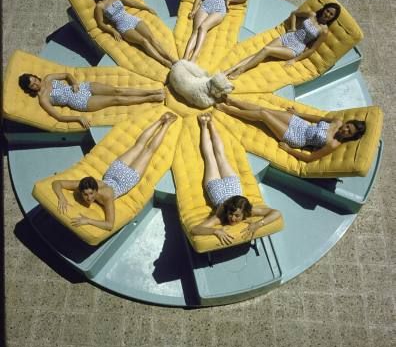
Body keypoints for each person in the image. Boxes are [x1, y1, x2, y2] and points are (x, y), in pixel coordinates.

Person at [52, 112, 177, 231]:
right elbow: (57, 183)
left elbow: (109, 224)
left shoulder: (106, 196)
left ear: (96, 190)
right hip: (115, 171)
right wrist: (61, 197)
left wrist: (88, 220)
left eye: (91, 194)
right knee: (138, 146)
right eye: (85, 194)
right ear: (81, 190)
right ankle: (161, 121)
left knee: (148, 150)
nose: (89, 198)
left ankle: (165, 123)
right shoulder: (85, 184)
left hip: (127, 178)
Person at [191, 114, 281, 245]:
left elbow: (276, 213)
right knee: (213, 156)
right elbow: (195, 229)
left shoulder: (247, 212)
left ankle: (209, 124)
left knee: (216, 156)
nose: (233, 218)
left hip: (219, 186)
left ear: (243, 213)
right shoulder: (221, 215)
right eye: (231, 214)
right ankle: (205, 125)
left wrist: (258, 224)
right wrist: (215, 231)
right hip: (224, 186)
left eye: (237, 215)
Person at [216, 97, 366, 163]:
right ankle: (232, 101)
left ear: (350, 137)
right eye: (348, 126)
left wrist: (288, 150)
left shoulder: (334, 144)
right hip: (301, 124)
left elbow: (310, 158)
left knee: (263, 115)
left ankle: (228, 110)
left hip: (296, 138)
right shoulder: (337, 121)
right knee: (265, 109)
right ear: (347, 122)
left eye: (349, 132)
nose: (345, 130)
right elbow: (317, 119)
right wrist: (297, 114)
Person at [224, 2, 341, 79]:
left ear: (333, 18)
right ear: (324, 9)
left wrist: (294, 60)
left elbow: (312, 49)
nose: (328, 14)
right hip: (289, 37)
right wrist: (293, 27)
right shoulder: (311, 14)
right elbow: (294, 13)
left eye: (331, 14)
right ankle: (230, 69)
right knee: (258, 52)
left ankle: (240, 71)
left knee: (266, 50)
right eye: (328, 11)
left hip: (295, 48)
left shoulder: (324, 31)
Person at [18, 72, 165, 129]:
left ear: (36, 77)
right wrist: (78, 118)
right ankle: (151, 98)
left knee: (116, 90)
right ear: (30, 89)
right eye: (32, 84)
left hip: (83, 87)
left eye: (34, 80)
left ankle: (151, 91)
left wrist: (74, 82)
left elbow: (67, 75)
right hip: (80, 103)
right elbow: (58, 116)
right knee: (116, 99)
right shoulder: (43, 99)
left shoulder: (48, 78)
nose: (36, 83)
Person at [88, 0, 177, 69]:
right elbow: (100, 23)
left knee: (151, 38)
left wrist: (146, 8)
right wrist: (112, 31)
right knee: (144, 41)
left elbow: (132, 3)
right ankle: (164, 61)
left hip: (132, 19)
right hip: (123, 27)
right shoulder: (100, 6)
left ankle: (171, 58)